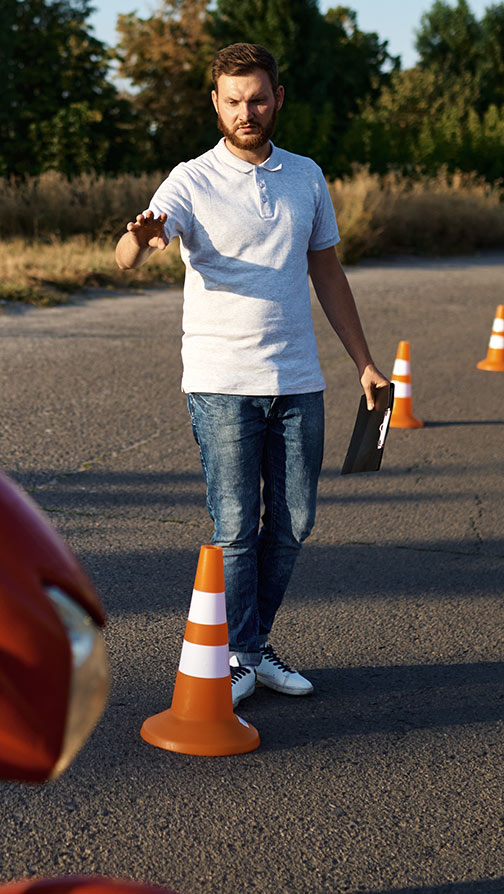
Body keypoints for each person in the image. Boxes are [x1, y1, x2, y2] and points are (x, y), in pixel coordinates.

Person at [116, 42, 391, 706]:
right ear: (215, 102)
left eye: (258, 98)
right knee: (236, 525)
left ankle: (254, 644)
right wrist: (141, 238)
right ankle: (240, 654)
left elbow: (327, 271)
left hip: (298, 380)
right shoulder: (189, 180)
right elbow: (131, 253)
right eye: (233, 100)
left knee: (294, 520)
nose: (247, 111)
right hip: (221, 382)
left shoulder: (305, 176)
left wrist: (366, 363)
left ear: (278, 98)